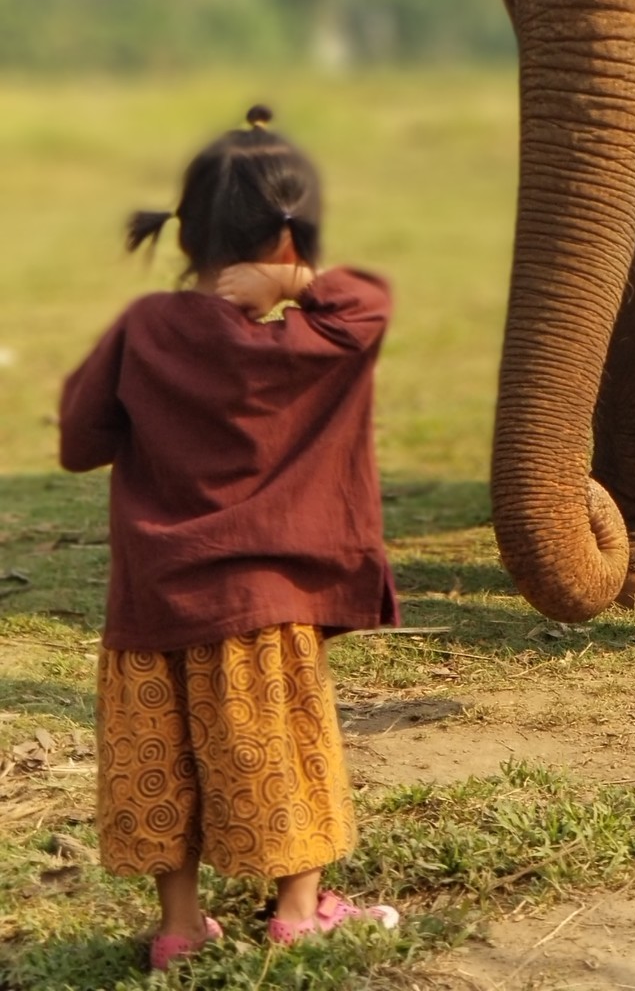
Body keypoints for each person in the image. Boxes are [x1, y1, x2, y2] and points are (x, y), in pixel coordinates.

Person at [59, 106, 400, 968]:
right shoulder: (318, 336)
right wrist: (291, 291)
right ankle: (297, 907)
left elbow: (78, 441)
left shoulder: (145, 327)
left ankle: (178, 930)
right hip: (265, 605)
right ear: (293, 236)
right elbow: (371, 299)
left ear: (188, 228)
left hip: (155, 601)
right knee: (281, 755)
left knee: (159, 763)